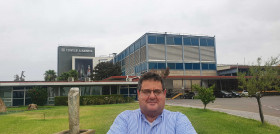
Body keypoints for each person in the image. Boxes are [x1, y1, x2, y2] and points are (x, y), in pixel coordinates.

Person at [107, 72, 197, 134]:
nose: (152, 96)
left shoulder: (178, 119)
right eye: (146, 91)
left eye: (157, 91)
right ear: (139, 94)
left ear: (164, 94)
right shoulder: (125, 119)